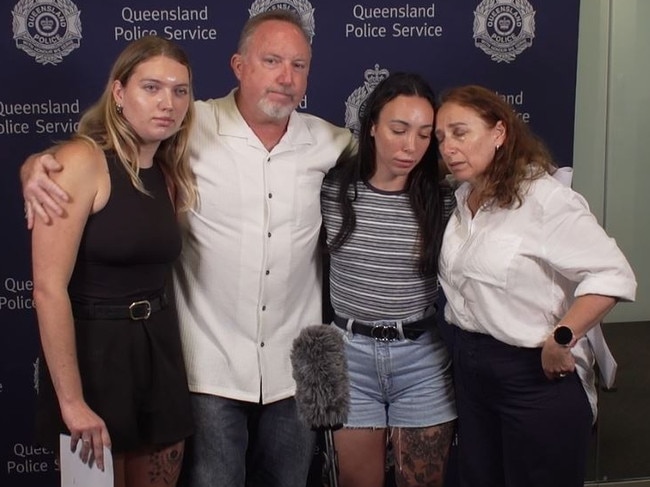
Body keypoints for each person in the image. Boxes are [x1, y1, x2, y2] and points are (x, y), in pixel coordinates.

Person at [22, 10, 355, 487]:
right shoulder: (188, 125)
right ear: (239, 65)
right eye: (272, 60)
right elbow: (88, 157)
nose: (286, 76)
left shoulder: (329, 141)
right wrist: (36, 165)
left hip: (287, 371)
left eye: (299, 65)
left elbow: (401, 157)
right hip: (204, 368)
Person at [434, 84, 637, 487]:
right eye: (441, 138)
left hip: (534, 377)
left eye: (460, 132)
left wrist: (563, 337)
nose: (447, 148)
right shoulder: (462, 201)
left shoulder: (544, 200)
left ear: (499, 133)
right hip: (471, 371)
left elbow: (613, 274)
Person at [31, 36, 196, 487]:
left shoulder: (169, 169)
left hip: (158, 351)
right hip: (96, 356)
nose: (168, 102)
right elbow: (47, 288)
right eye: (152, 88)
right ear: (119, 94)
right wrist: (71, 401)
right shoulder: (81, 161)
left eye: (180, 90)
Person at [321, 72, 456, 487]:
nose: (409, 146)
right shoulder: (333, 190)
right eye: (398, 130)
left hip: (421, 359)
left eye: (423, 135)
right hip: (348, 356)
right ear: (373, 126)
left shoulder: (445, 199)